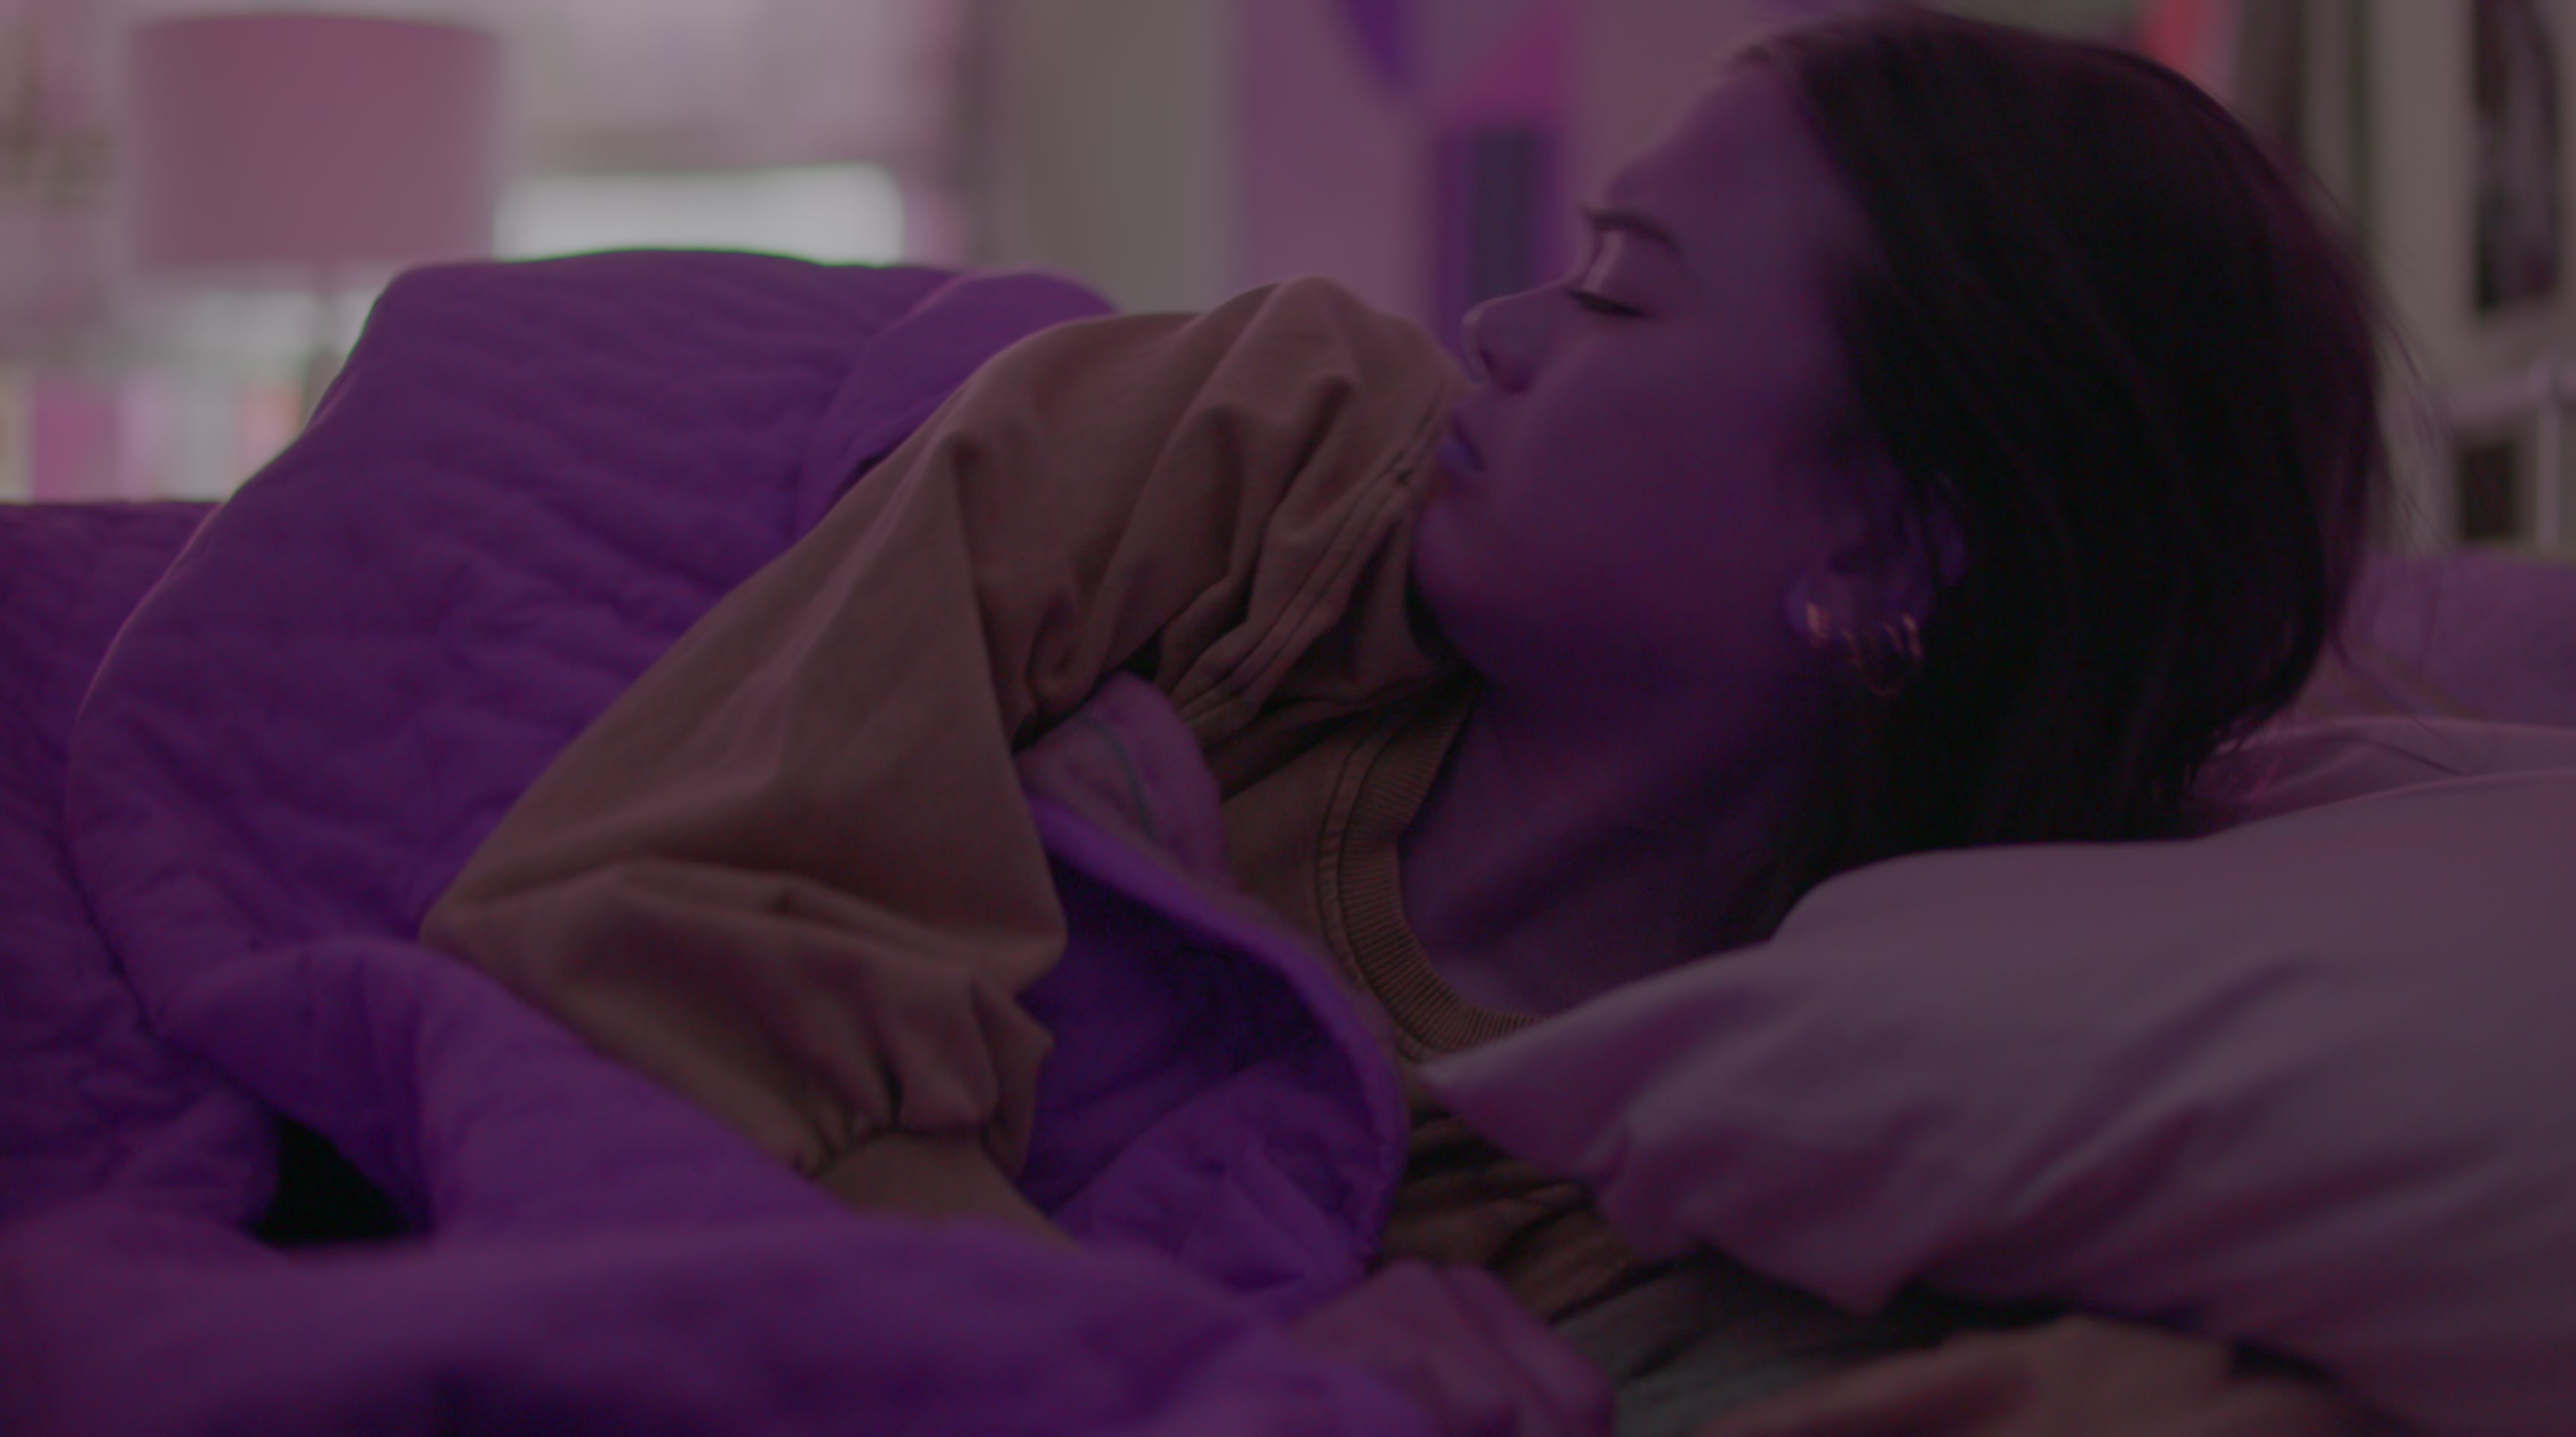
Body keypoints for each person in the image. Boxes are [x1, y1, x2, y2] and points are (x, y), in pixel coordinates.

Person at [427, 8, 2384, 1436]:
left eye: (1620, 292)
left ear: (1887, 540)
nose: (1502, 330)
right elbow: (630, 920)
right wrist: (1178, 1348)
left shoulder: (1715, 1184)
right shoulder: (1263, 459)